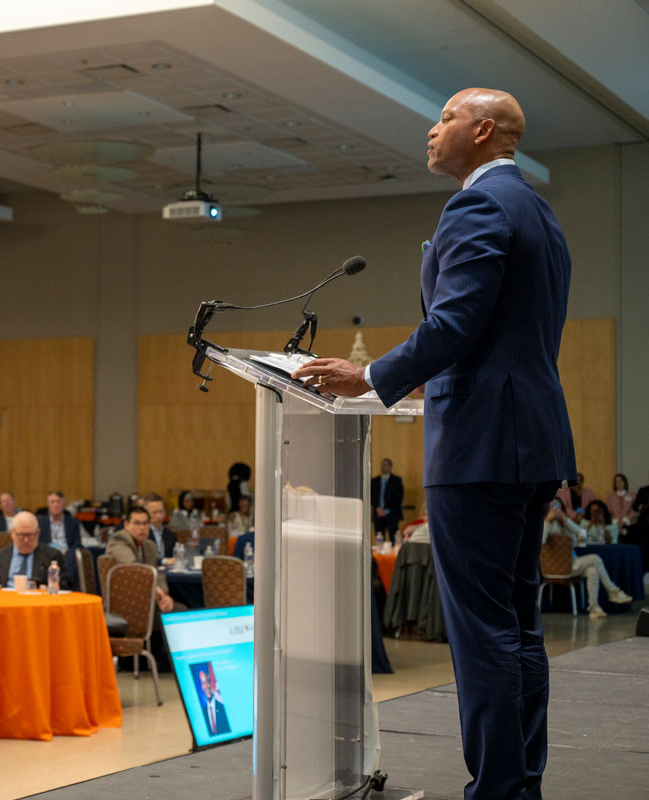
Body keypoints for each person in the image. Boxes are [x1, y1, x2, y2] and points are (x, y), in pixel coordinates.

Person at [293, 88, 575, 800]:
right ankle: (518, 784)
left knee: (482, 633)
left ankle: (498, 790)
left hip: (480, 446)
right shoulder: (539, 210)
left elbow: (456, 325)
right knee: (516, 624)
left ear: (482, 132)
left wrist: (371, 375)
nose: (431, 128)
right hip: (532, 438)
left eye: (445, 117)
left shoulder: (478, 206)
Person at [543, 500, 632, 616]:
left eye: (558, 508)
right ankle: (613, 591)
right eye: (553, 507)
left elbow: (582, 534)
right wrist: (548, 520)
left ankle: (593, 607)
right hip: (554, 566)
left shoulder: (563, 524)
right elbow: (541, 541)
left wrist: (565, 520)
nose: (556, 511)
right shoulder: (545, 523)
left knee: (592, 571)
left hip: (571, 563)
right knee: (595, 558)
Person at [105, 506, 176, 613]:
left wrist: (164, 596)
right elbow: (135, 569)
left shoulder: (150, 545)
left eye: (146, 523)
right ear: (126, 525)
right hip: (126, 603)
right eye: (137, 523)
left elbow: (157, 573)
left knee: (182, 608)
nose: (142, 528)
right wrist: (157, 591)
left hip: (149, 599)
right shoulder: (119, 541)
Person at [0, 511, 70, 589]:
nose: (26, 540)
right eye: (21, 535)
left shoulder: (52, 556)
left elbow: (64, 587)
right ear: (12, 533)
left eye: (30, 535)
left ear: (38, 533)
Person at [370, 459, 405, 540]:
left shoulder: (396, 480)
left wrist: (387, 511)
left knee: (394, 539)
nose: (383, 467)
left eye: (386, 465)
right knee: (379, 538)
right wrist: (377, 508)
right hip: (378, 514)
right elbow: (372, 497)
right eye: (382, 465)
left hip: (392, 515)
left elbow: (398, 499)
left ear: (390, 467)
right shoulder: (374, 481)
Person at [143, 494, 177, 564]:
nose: (159, 516)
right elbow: (145, 558)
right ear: (146, 514)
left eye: (161, 512)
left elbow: (175, 555)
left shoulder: (170, 535)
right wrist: (165, 561)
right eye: (154, 512)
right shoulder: (143, 533)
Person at [198, 668, 230, 736]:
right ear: (201, 687)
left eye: (208, 682)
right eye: (203, 683)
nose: (206, 686)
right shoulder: (203, 712)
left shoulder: (223, 707)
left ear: (211, 683)